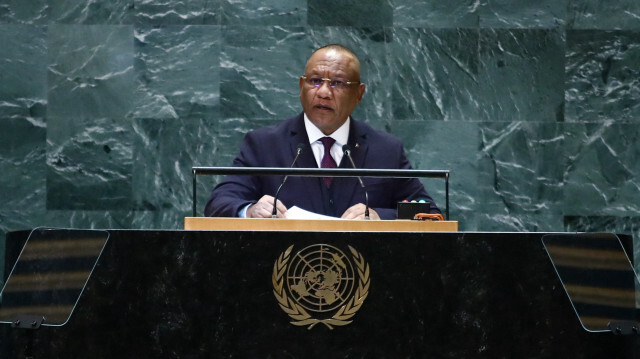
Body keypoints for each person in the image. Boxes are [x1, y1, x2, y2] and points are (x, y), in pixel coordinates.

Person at [205, 44, 440, 220]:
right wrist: (249, 210)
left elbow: (428, 211)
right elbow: (219, 202)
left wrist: (380, 216)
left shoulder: (386, 150)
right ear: (301, 87)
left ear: (359, 94)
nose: (324, 92)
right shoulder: (264, 144)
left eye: (337, 83)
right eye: (315, 81)